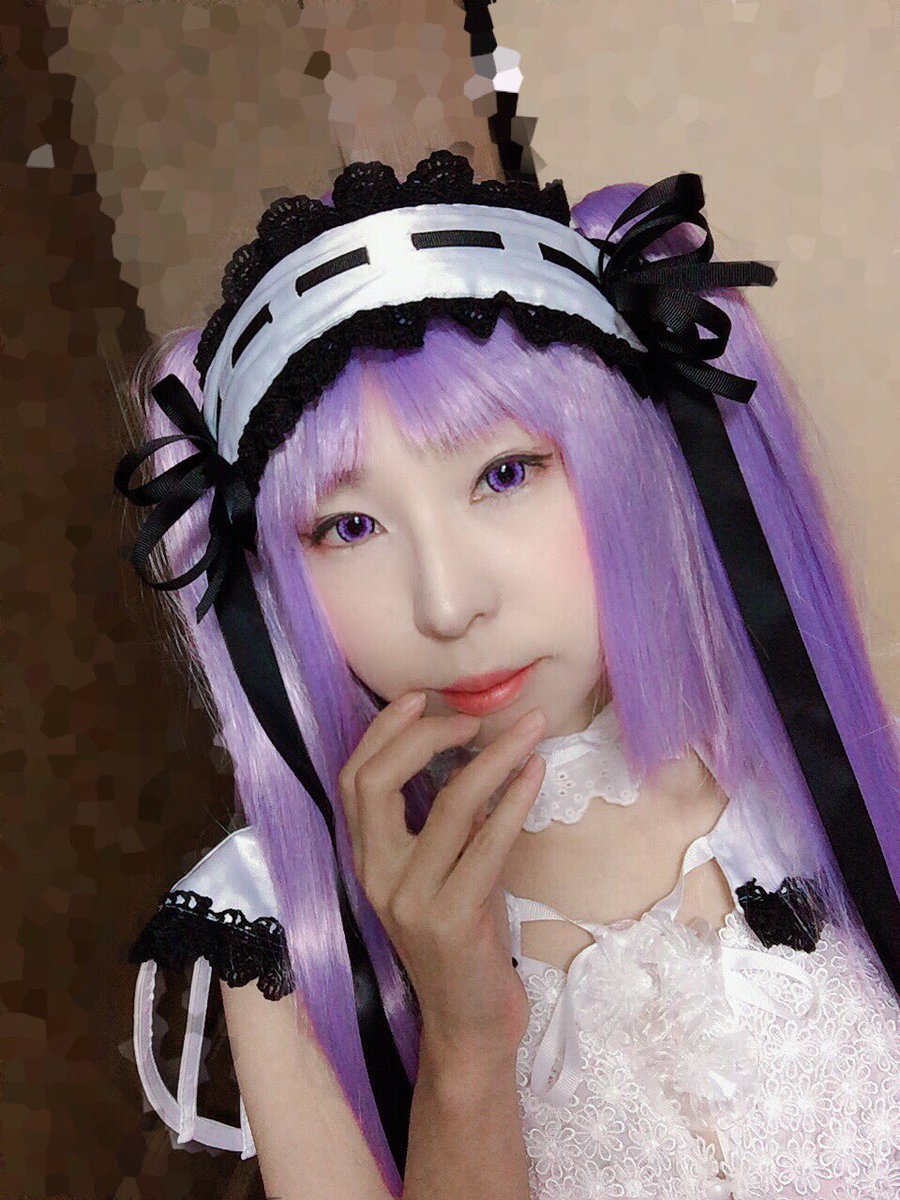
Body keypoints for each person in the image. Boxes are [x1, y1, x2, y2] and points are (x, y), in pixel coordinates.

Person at [119, 151, 900, 1199]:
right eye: (348, 527)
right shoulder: (287, 930)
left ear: (632, 458)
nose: (447, 606)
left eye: (505, 473)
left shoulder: (830, 770)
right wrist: (465, 1044)